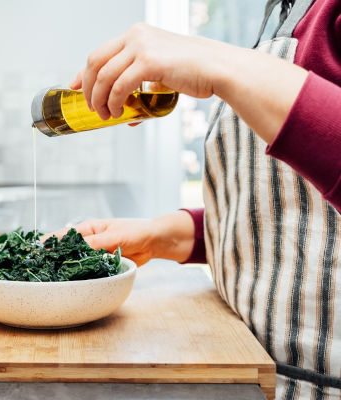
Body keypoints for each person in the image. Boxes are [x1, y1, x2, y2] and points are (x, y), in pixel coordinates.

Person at [51, 0, 341, 398]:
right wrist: (162, 236)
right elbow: (298, 213)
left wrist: (219, 63)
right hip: (257, 374)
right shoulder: (283, 13)